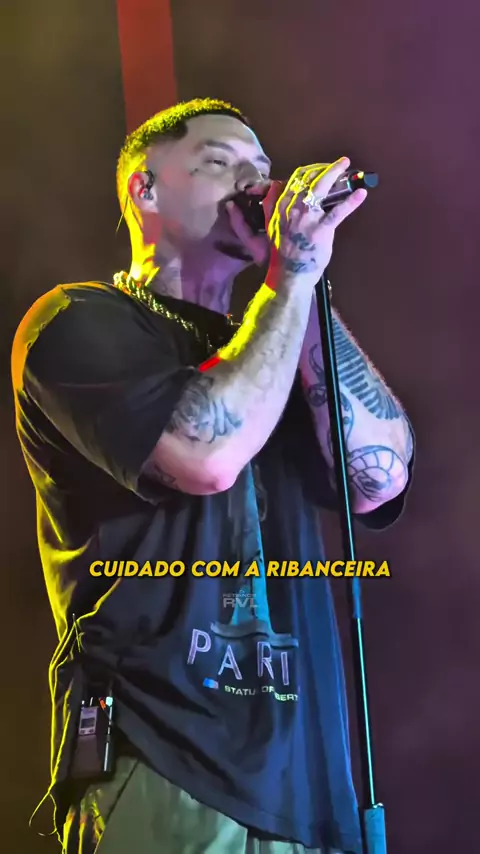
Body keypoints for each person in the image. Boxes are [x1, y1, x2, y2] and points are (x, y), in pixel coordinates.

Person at [12, 98, 414, 854]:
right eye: (219, 163)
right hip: (166, 759)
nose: (251, 184)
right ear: (145, 189)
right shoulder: (74, 321)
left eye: (261, 169)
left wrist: (302, 279)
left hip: (310, 787)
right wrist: (289, 279)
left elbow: (378, 476)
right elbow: (204, 456)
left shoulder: (277, 333)